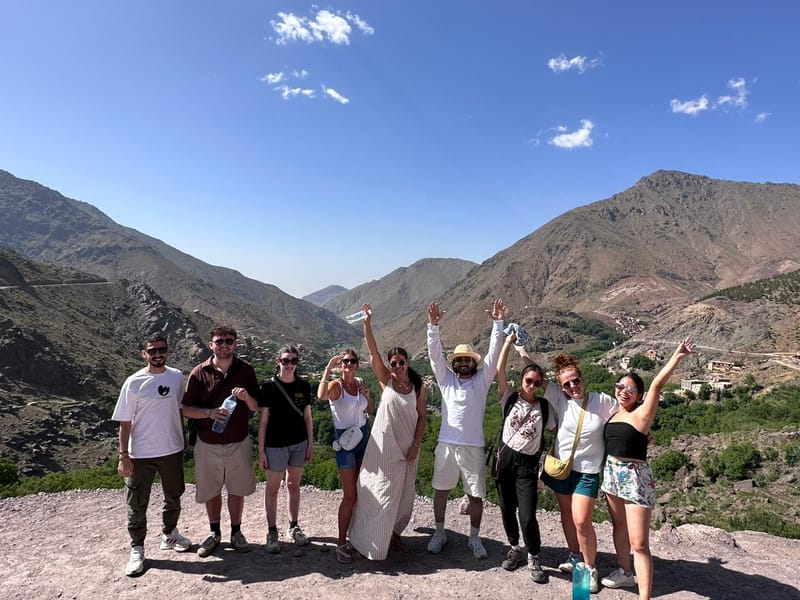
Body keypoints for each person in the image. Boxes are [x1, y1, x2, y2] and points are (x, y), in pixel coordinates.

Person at [600, 338, 695, 599]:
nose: (624, 390)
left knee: (639, 543)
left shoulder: (641, 414)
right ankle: (624, 573)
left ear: (639, 395)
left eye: (630, 388)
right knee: (618, 526)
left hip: (634, 478)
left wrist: (677, 356)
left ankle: (644, 596)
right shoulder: (613, 413)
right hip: (611, 474)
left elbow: (657, 384)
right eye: (620, 386)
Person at [426, 298, 506, 558]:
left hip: (473, 446)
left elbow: (494, 356)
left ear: (474, 363)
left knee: (476, 496)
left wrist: (498, 324)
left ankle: (474, 538)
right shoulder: (446, 380)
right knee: (441, 492)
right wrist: (433, 326)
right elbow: (434, 356)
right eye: (458, 360)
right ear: (454, 363)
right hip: (447, 444)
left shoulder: (482, 381)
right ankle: (439, 532)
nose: (462, 363)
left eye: (467, 360)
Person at [348, 304, 427, 560]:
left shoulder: (417, 385)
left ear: (407, 362)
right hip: (385, 450)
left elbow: (423, 418)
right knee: (381, 492)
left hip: (408, 450)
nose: (397, 367)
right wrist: (367, 324)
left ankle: (394, 534)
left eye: (401, 362)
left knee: (404, 497)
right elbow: (372, 353)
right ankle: (369, 539)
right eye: (393, 364)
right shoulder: (387, 382)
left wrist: (415, 446)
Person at [112, 335, 191, 576]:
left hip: (172, 449)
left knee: (174, 495)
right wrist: (123, 456)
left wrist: (183, 435)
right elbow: (124, 423)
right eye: (152, 350)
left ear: (169, 352)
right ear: (143, 354)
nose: (157, 354)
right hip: (141, 454)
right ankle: (137, 549)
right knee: (136, 503)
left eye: (162, 350)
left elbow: (178, 409)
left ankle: (169, 534)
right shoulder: (134, 382)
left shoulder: (176, 377)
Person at [540, 352, 618, 593]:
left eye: (576, 380)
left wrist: (642, 432)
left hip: (587, 472)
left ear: (583, 378)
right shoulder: (560, 399)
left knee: (582, 521)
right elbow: (536, 377)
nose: (573, 386)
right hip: (562, 469)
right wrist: (519, 349)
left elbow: (626, 414)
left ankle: (589, 567)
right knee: (566, 515)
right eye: (567, 383)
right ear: (561, 387)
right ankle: (575, 557)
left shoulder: (602, 401)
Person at [181, 325, 260, 557]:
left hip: (238, 441)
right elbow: (186, 409)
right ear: (211, 344)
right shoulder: (199, 372)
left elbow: (256, 407)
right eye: (220, 341)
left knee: (237, 489)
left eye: (229, 340)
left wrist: (247, 398)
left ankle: (236, 532)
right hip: (207, 443)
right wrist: (209, 413)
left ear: (235, 344)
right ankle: (214, 533)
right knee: (211, 490)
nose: (224, 345)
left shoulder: (246, 370)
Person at [492, 332, 555, 583]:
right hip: (505, 460)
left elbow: (559, 433)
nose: (532, 385)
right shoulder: (509, 399)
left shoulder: (545, 408)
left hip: (527, 466)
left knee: (527, 515)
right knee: (507, 508)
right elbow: (499, 369)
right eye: (529, 381)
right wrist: (509, 343)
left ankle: (534, 554)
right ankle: (515, 547)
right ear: (522, 381)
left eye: (537, 382)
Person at [317, 349, 374, 564]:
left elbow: (371, 410)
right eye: (345, 362)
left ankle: (355, 538)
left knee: (360, 493)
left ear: (357, 364)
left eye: (352, 361)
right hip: (345, 444)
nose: (348, 365)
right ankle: (341, 543)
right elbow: (321, 396)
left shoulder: (359, 383)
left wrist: (368, 396)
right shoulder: (337, 386)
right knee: (350, 495)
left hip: (362, 438)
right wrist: (327, 369)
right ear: (340, 365)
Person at [256, 345, 314, 553]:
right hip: (275, 445)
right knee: (272, 489)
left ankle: (293, 526)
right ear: (277, 361)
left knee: (293, 485)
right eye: (285, 361)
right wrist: (261, 450)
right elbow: (263, 421)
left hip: (299, 443)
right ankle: (272, 531)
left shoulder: (304, 385)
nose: (289, 365)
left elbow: (307, 417)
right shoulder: (268, 388)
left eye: (293, 361)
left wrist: (310, 443)